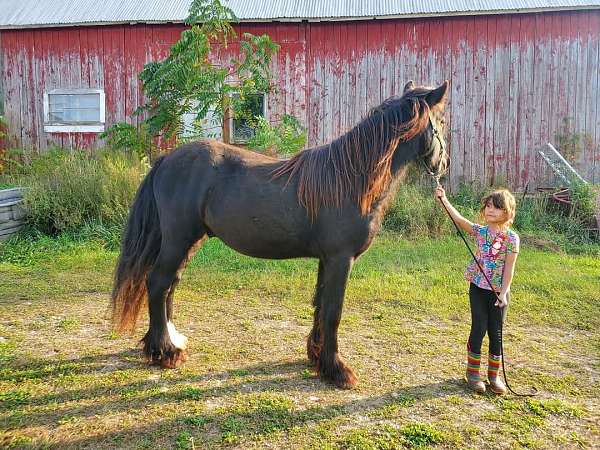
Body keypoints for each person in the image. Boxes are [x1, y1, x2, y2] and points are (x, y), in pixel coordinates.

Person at [435, 186, 520, 395]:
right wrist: (444, 199)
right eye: (488, 206)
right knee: (478, 328)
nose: (490, 210)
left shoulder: (511, 239)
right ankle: (472, 374)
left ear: (507, 212)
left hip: (499, 294)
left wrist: (503, 292)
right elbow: (460, 220)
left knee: (496, 333)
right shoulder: (481, 232)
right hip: (478, 288)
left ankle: (494, 376)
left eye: (497, 208)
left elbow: (509, 268)